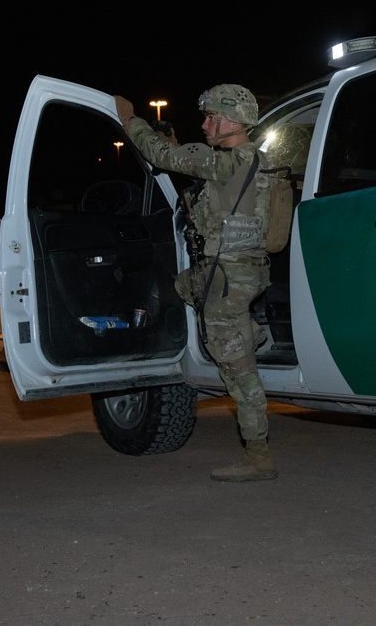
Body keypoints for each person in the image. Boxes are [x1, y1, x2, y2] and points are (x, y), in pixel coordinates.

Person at [114, 84, 279, 482]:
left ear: (232, 122)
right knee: (181, 287)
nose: (204, 124)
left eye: (210, 118)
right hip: (246, 272)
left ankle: (258, 457)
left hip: (226, 281)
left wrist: (129, 121)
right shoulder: (259, 160)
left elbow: (161, 155)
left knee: (237, 371)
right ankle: (248, 333)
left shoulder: (222, 162)